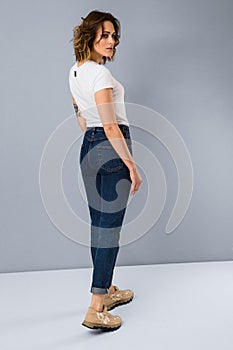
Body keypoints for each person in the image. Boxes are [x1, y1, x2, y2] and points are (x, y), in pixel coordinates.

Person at [68, 10, 142, 331]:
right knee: (109, 228)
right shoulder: (100, 75)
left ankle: (106, 289)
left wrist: (93, 138)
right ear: (90, 36)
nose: (112, 42)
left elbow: (81, 115)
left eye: (115, 37)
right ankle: (96, 306)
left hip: (88, 147)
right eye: (106, 35)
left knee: (99, 224)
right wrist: (131, 165)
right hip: (111, 147)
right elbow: (110, 124)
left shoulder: (75, 72)